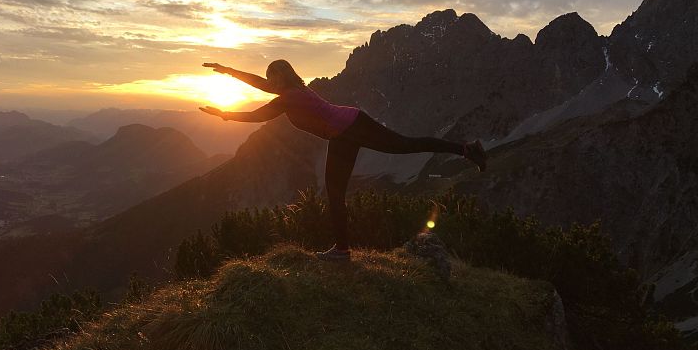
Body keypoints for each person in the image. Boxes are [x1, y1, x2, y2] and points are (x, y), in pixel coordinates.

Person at [200, 59, 486, 261]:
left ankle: (467, 149)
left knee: (405, 146)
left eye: (272, 76)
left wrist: (225, 114)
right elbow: (261, 84)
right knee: (335, 193)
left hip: (354, 125)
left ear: (282, 77)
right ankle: (342, 250)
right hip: (342, 136)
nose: (269, 81)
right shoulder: (290, 90)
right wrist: (228, 72)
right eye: (269, 77)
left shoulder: (292, 97)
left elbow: (257, 115)